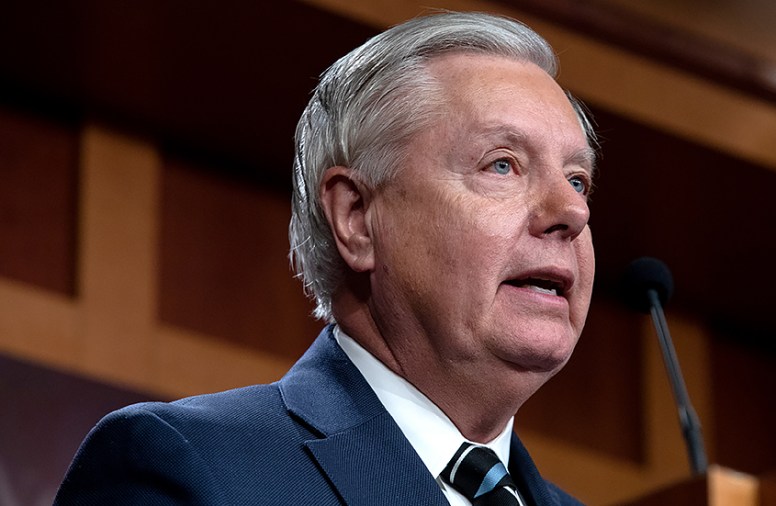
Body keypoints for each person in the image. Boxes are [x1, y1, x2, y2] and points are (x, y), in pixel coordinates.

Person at [55, 10, 597, 505]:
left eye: (578, 179)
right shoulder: (190, 468)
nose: (571, 210)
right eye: (502, 165)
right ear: (357, 217)